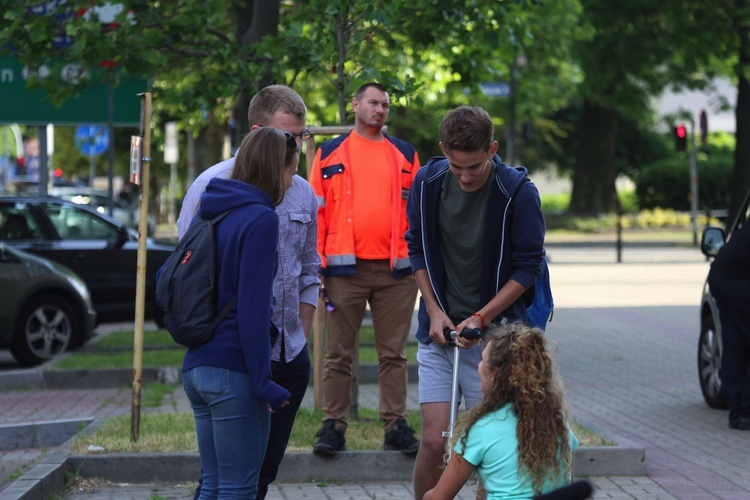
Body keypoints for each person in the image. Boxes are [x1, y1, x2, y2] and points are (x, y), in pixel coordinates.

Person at [177, 85, 320, 499]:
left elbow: (309, 269)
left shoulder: (302, 192)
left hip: (284, 353)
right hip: (238, 360)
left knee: (249, 477)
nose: (298, 148)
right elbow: (188, 277)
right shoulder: (217, 190)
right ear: (259, 134)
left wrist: (301, 335)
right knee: (235, 483)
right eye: (289, 139)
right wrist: (259, 376)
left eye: (302, 137)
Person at [405, 106, 546, 499]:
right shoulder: (428, 182)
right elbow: (415, 247)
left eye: (474, 167)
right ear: (442, 151)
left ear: (493, 149)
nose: (465, 177)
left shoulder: (518, 192)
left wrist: (483, 317)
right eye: (456, 167)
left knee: (488, 448)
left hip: (497, 341)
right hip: (440, 331)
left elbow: (527, 267)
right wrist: (434, 311)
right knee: (435, 442)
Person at [308, 82, 421, 456]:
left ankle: (396, 426)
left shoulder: (405, 154)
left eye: (385, 105)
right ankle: (333, 427)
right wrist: (318, 266)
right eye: (373, 103)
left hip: (397, 273)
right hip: (344, 272)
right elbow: (316, 213)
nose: (380, 110)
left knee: (393, 354)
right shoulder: (329, 153)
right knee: (337, 353)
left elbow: (417, 213)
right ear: (354, 105)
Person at [423, 323, 578, 499]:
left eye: (482, 360)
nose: (479, 367)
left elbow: (439, 497)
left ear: (496, 373)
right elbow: (567, 484)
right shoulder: (559, 423)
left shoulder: (482, 429)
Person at [707, 219, 750, 430]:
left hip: (721, 277)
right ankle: (745, 411)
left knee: (735, 344)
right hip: (737, 283)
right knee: (738, 345)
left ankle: (738, 413)